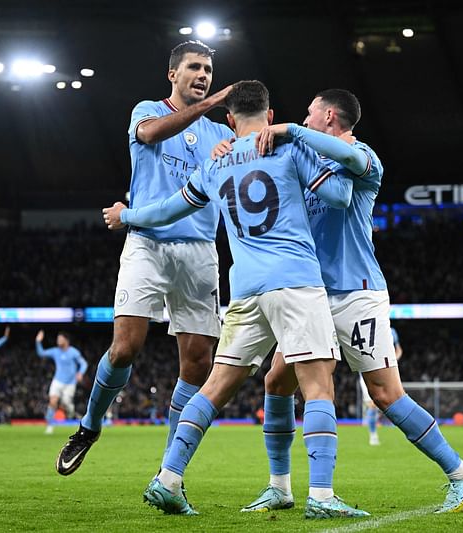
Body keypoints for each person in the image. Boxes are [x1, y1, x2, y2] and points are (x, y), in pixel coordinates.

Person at [103, 80, 368, 519]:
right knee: (319, 386)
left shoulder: (215, 163)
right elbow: (339, 196)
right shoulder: (287, 149)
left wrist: (125, 215)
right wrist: (314, 145)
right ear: (270, 116)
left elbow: (168, 210)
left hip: (244, 289)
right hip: (295, 281)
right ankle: (321, 496)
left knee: (215, 386)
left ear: (229, 119)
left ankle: (168, 477)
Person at [235, 89, 463, 514]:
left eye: (310, 113)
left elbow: (343, 188)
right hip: (309, 293)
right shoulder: (306, 157)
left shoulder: (363, 156)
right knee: (276, 382)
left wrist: (292, 132)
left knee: (386, 393)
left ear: (329, 116)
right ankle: (280, 487)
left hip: (356, 293)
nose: (304, 118)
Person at [55, 40, 233, 476]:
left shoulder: (222, 136)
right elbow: (153, 134)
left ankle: (170, 470)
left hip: (199, 251)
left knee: (198, 361)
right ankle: (89, 427)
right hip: (147, 244)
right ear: (172, 74)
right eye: (194, 67)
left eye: (209, 70)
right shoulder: (145, 111)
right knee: (124, 348)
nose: (203, 75)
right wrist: (211, 103)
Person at [35, 330, 88, 434]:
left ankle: (70, 409)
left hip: (70, 383)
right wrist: (38, 341)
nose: (58, 340)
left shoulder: (73, 352)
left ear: (66, 340)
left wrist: (80, 373)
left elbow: (83, 363)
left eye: (60, 338)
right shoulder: (55, 351)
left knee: (66, 404)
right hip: (57, 381)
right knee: (53, 401)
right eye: (57, 338)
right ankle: (50, 426)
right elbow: (41, 353)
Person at [362, 325, 402, 446]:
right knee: (372, 404)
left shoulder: (391, 331)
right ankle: (373, 435)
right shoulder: (366, 327)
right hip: (368, 369)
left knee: (395, 398)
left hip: (388, 369)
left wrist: (393, 360)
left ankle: (401, 427)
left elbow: (399, 349)